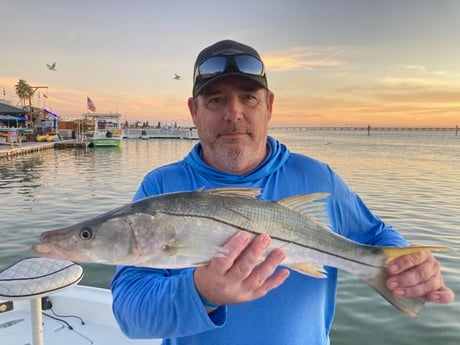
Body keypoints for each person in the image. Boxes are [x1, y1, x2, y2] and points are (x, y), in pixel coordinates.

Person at [111, 39, 454, 345]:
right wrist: (202, 293)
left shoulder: (318, 178)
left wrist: (406, 263)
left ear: (269, 106)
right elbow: (131, 315)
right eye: (216, 100)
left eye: (248, 98)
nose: (234, 113)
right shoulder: (160, 188)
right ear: (193, 111)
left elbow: (376, 234)